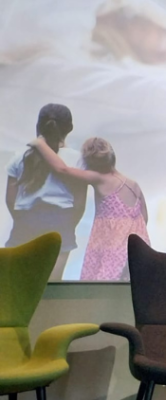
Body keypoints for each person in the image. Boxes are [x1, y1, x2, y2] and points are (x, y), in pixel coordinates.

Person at [29, 136, 149, 281]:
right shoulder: (133, 184)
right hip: (137, 249)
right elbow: (144, 218)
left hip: (112, 249)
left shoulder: (99, 179)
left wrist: (41, 144)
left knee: (100, 289)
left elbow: (62, 169)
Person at [5, 104, 86, 280]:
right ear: (69, 128)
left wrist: (23, 219)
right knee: (52, 288)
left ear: (39, 125)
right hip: (61, 222)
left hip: (25, 222)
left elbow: (10, 200)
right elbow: (80, 203)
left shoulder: (20, 155)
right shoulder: (77, 159)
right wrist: (69, 224)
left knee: (19, 284)